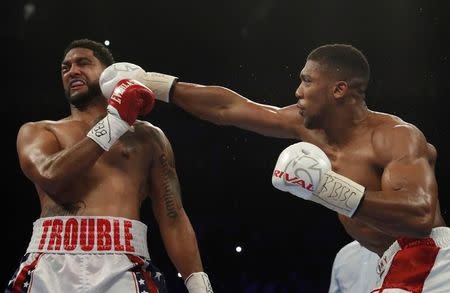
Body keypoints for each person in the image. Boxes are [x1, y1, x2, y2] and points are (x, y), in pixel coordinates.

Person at [100, 43, 449, 292]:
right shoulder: (305, 126)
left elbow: (418, 218)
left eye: (308, 81)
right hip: (385, 260)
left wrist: (325, 187)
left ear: (339, 90)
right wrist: (155, 85)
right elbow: (229, 108)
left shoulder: (395, 137)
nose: (297, 90)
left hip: (428, 256)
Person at [6, 38, 213, 293]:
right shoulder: (39, 131)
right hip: (49, 264)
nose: (72, 71)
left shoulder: (148, 138)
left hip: (124, 263)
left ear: (108, 74)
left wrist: (198, 284)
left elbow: (173, 216)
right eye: (65, 67)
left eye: (83, 63)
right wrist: (114, 123)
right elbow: (51, 174)